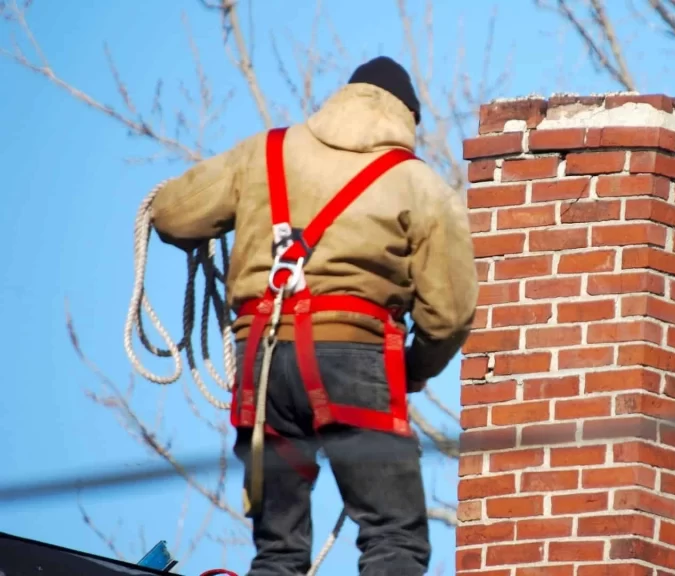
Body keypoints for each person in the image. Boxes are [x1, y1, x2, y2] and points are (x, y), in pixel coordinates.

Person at [148, 56, 478, 576]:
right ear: (407, 118)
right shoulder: (419, 184)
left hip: (262, 364)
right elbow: (450, 315)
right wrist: (413, 370)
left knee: (278, 551)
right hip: (353, 359)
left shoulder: (264, 152)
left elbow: (170, 213)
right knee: (394, 537)